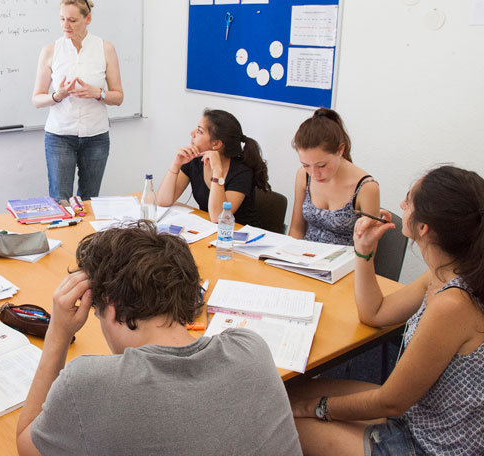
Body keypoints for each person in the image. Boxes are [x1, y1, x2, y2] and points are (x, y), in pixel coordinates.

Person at [15, 222, 301, 455]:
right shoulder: (251, 348)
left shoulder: (87, 383)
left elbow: (26, 444)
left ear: (110, 307)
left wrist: (58, 333)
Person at [288, 165, 484, 455]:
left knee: (275, 417)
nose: (402, 205)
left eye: (408, 200)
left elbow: (391, 401)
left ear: (423, 228)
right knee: (285, 394)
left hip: (427, 444)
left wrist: (314, 409)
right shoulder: (445, 273)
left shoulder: (453, 303)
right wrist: (363, 251)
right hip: (417, 415)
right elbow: (375, 313)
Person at [31, 0, 124, 202]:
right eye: (62, 19)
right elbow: (36, 98)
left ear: (87, 19)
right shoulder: (50, 50)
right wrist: (58, 95)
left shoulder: (105, 49)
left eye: (72, 20)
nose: (66, 25)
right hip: (59, 136)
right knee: (60, 202)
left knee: (90, 202)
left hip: (96, 136)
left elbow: (118, 97)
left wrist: (98, 94)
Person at [157, 109, 269, 226]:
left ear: (216, 144)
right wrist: (176, 164)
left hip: (237, 235)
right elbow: (163, 201)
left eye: (199, 131)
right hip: (209, 229)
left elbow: (218, 217)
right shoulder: (195, 161)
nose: (192, 133)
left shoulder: (242, 172)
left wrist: (217, 172)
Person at [289, 108, 379, 245]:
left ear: (340, 150)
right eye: (306, 165)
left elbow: (369, 250)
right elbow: (296, 230)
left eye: (322, 165)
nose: (314, 173)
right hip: (304, 260)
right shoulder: (303, 175)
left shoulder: (366, 187)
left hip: (346, 263)